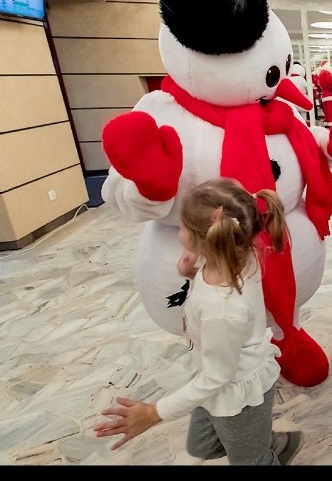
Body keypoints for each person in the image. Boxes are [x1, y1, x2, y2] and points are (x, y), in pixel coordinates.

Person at [94, 178, 303, 465]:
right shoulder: (239, 255)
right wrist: (193, 275)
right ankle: (269, 444)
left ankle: (264, 452)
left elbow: (218, 375)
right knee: (203, 445)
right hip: (221, 378)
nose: (179, 232)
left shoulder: (222, 308)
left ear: (203, 238)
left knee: (249, 460)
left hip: (236, 395)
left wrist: (154, 412)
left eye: (182, 227)